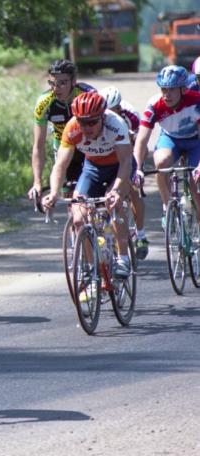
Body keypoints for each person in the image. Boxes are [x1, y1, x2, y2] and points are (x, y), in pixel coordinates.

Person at [42, 92, 135, 302]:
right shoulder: (72, 128)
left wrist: (116, 190)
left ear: (102, 117)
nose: (87, 127)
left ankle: (123, 258)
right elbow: (60, 166)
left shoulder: (116, 124)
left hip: (118, 167)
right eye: (83, 122)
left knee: (114, 203)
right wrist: (54, 193)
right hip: (93, 168)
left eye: (92, 122)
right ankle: (94, 271)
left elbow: (126, 163)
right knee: (78, 217)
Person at [133, 65, 200, 219]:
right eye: (163, 89)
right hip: (170, 139)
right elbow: (141, 141)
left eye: (172, 89)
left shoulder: (196, 101)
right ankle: (167, 207)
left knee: (195, 182)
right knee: (161, 163)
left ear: (183, 89)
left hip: (195, 141)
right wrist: (137, 168)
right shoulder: (154, 105)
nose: (166, 95)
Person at [28, 59, 95, 203]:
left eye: (62, 83)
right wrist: (37, 182)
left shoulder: (87, 95)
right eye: (52, 83)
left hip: (90, 144)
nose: (56, 88)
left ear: (74, 81)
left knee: (95, 192)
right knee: (70, 196)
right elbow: (38, 146)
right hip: (63, 145)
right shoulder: (44, 103)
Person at [99, 86, 149, 259]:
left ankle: (141, 235)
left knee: (134, 189)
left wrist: (138, 170)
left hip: (130, 152)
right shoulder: (97, 116)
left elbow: (140, 146)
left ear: (119, 107)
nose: (108, 114)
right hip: (108, 154)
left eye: (113, 109)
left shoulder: (131, 116)